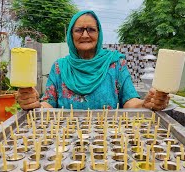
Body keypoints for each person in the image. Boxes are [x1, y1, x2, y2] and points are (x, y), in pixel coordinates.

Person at [17, 10, 169, 111]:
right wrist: (33, 104)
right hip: (66, 140)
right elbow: (48, 104)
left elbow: (129, 100)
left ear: (99, 33)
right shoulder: (59, 67)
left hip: (109, 139)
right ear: (71, 35)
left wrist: (145, 103)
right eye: (79, 30)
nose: (84, 35)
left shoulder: (115, 64)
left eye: (90, 29)